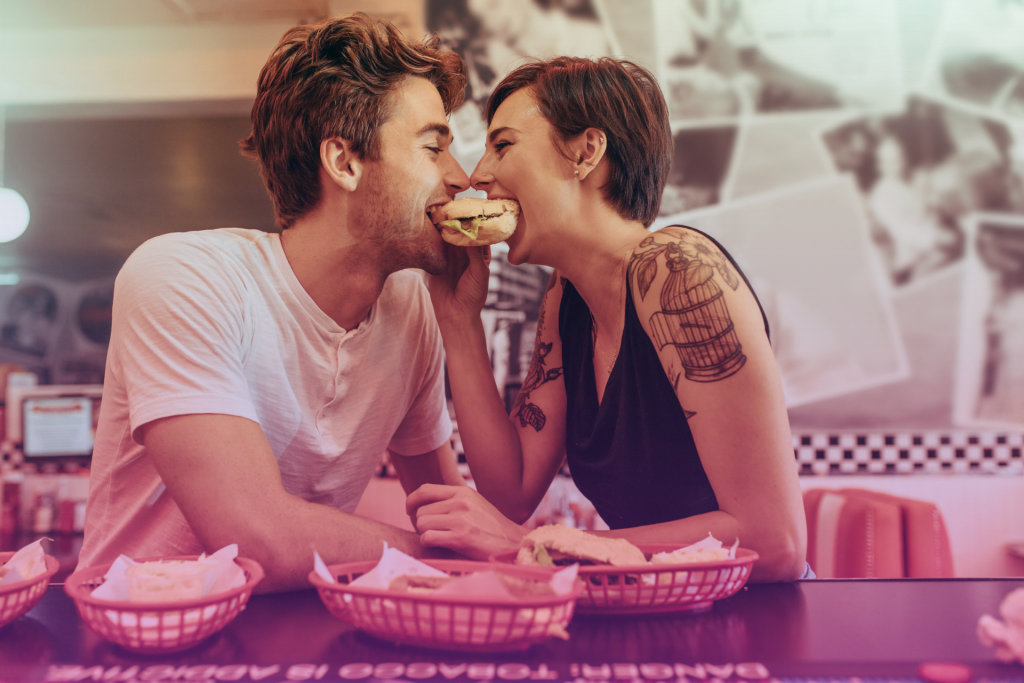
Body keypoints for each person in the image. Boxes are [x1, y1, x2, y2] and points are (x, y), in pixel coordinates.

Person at [78, 13, 472, 592]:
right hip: (144, 649)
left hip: (307, 635)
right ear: (345, 162)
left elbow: (450, 514)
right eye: (433, 147)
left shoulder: (410, 307)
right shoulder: (183, 277)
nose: (461, 178)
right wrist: (425, 555)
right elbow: (258, 538)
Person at [410, 56, 807, 581]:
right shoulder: (565, 295)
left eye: (502, 145)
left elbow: (774, 542)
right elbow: (513, 491)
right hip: (657, 612)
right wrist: (459, 324)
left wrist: (537, 545)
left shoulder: (678, 270)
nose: (479, 175)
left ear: (586, 152)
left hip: (753, 621)